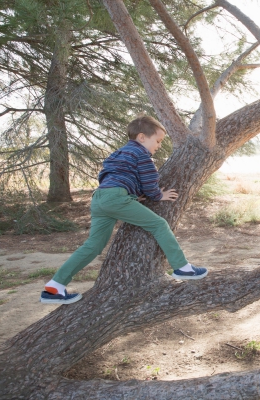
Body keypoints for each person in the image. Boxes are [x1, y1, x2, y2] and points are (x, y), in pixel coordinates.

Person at [40, 115, 207, 305]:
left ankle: (55, 285)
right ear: (142, 137)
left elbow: (109, 175)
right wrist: (158, 195)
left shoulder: (118, 154)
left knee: (93, 246)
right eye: (158, 141)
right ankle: (182, 267)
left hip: (100, 198)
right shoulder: (142, 155)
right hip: (117, 198)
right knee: (159, 224)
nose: (159, 146)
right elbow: (148, 179)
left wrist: (132, 195)